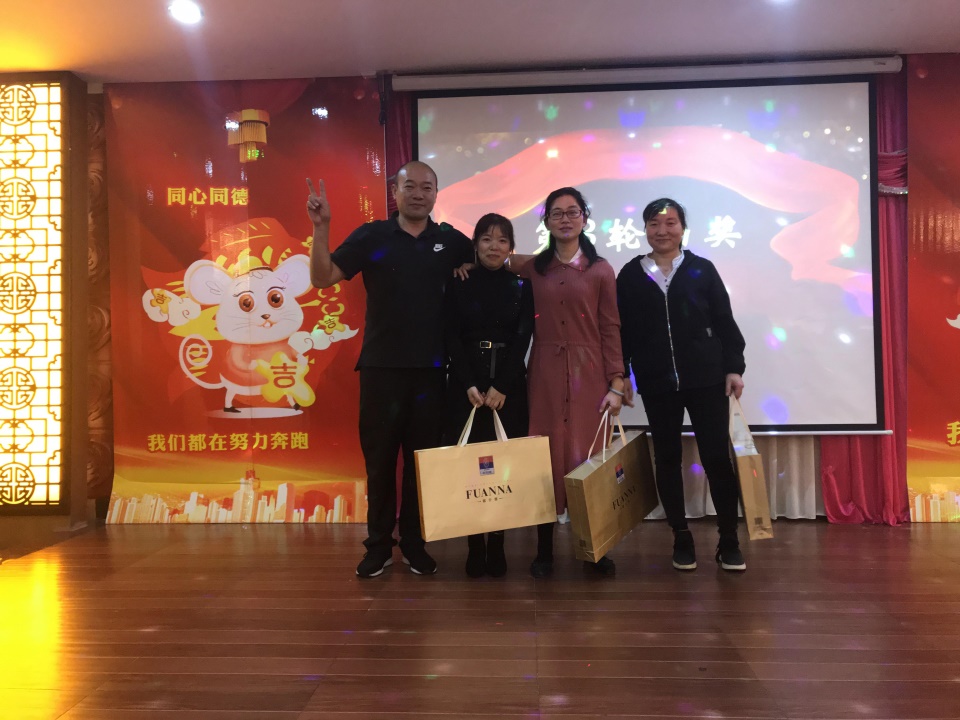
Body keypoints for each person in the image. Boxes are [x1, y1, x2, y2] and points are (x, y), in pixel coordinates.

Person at [306, 162, 474, 579]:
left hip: (432, 372)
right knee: (379, 464)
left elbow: (492, 259)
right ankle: (378, 546)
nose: (418, 194)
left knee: (421, 466)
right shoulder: (372, 236)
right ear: (394, 192)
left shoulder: (451, 241)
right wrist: (321, 228)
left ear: (436, 194)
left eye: (427, 187)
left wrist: (472, 267)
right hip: (380, 369)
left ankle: (415, 544)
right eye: (409, 186)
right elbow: (323, 278)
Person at [617, 197, 747, 572]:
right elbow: (621, 330)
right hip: (657, 381)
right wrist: (621, 372)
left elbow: (724, 321)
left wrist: (734, 367)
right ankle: (681, 536)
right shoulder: (630, 274)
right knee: (667, 458)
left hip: (706, 379)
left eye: (670, 223)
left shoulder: (702, 269)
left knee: (716, 458)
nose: (662, 231)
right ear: (645, 229)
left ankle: (728, 539)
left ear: (682, 228)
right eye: (654, 224)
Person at [519, 187, 625, 578]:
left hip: (589, 373)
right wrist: (468, 262)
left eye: (573, 212)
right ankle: (543, 549)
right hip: (545, 372)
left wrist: (617, 381)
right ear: (546, 221)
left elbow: (610, 326)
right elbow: (497, 260)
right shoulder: (534, 268)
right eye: (557, 213)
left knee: (589, 457)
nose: (565, 219)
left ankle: (593, 548)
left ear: (585, 217)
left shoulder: (601, 270)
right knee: (543, 455)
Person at [442, 213, 534, 578]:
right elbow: (450, 335)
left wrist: (503, 386)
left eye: (502, 240)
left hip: (507, 386)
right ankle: (473, 544)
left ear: (511, 247)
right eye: (486, 239)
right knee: (471, 466)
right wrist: (468, 383)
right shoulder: (459, 282)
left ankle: (497, 542)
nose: (494, 247)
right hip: (466, 385)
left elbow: (524, 336)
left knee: (501, 466)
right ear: (475, 245)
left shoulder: (522, 286)